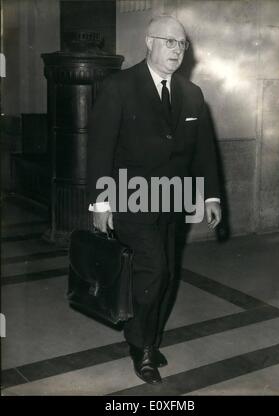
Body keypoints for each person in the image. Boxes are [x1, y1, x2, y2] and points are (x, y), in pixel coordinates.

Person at [87, 15, 222, 384]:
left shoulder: (192, 94)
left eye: (182, 44)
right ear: (149, 43)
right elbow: (100, 148)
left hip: (173, 200)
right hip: (130, 197)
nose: (177, 50)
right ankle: (141, 345)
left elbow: (204, 152)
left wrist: (210, 196)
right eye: (169, 42)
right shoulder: (120, 86)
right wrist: (101, 203)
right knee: (154, 269)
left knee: (168, 274)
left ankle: (149, 337)